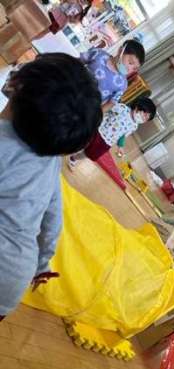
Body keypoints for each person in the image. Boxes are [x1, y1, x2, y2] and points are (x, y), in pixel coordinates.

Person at [0, 53, 102, 322]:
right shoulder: (51, 164)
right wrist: (42, 264)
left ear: (16, 83)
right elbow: (52, 224)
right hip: (14, 279)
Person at [69, 96, 156, 166]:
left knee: (90, 154)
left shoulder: (134, 126)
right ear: (137, 107)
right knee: (82, 142)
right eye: (144, 115)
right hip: (98, 131)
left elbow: (123, 136)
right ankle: (69, 147)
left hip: (107, 143)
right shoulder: (122, 108)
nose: (143, 119)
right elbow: (106, 109)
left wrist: (120, 146)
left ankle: (74, 158)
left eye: (146, 119)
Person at [80, 39, 145, 109]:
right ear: (121, 51)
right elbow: (78, 61)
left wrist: (96, 114)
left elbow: (111, 103)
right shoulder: (99, 54)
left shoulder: (122, 84)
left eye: (134, 68)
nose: (129, 68)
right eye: (130, 62)